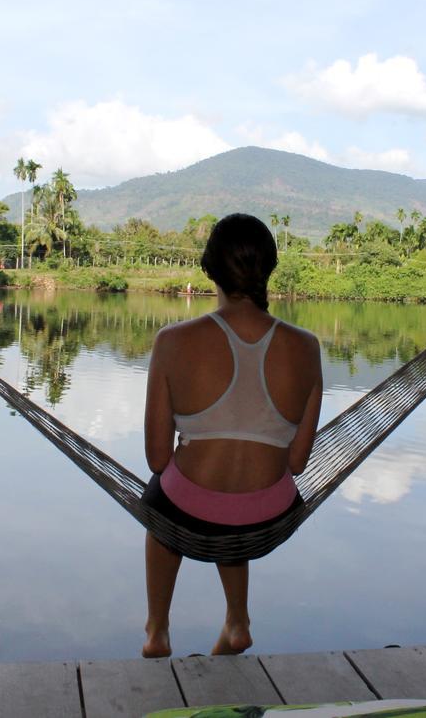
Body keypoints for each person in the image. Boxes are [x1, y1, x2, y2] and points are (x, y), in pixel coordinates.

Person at [140, 213, 323, 658]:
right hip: (267, 516)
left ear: (209, 268)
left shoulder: (173, 341)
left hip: (186, 513)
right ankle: (237, 621)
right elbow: (297, 463)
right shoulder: (307, 347)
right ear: (270, 269)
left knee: (162, 512)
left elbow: (157, 458)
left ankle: (157, 630)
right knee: (233, 514)